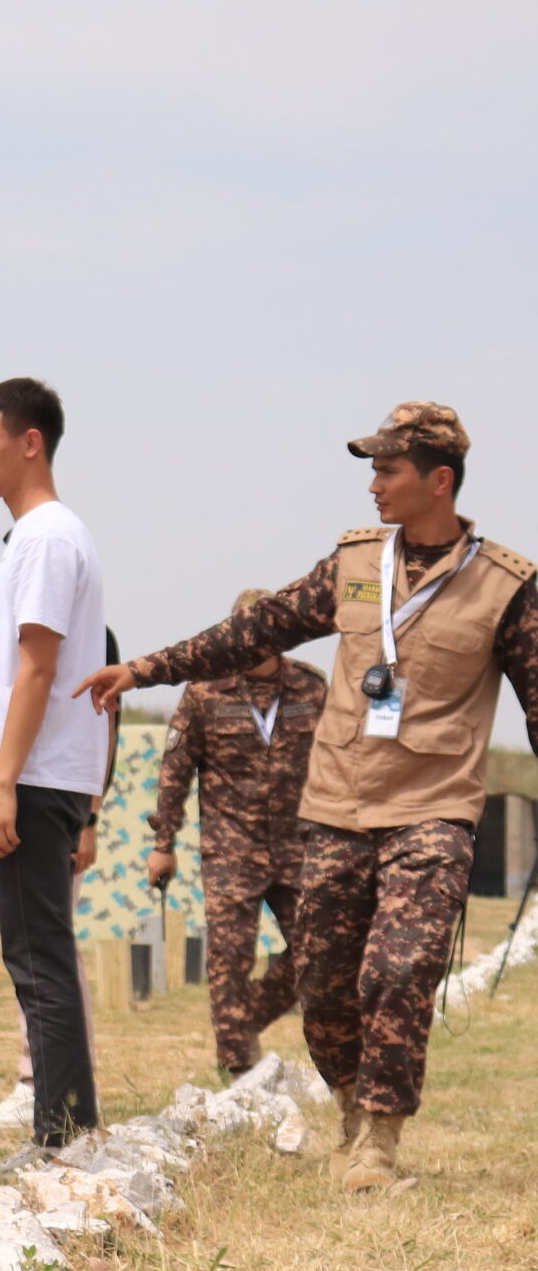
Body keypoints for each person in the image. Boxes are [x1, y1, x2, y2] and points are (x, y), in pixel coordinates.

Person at [78, 404, 537, 1190]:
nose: (373, 484)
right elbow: (256, 629)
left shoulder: (505, 587)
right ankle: (353, 1105)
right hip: (334, 811)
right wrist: (145, 668)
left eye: (388, 469)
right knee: (324, 978)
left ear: (440, 479)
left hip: (433, 811)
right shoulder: (355, 562)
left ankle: (381, 1144)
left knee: (397, 967)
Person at [0, 377, 108, 1164]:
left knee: (38, 957)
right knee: (38, 953)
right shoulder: (37, 536)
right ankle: (69, 1129)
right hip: (37, 773)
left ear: (30, 442)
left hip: (35, 775)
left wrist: (5, 782)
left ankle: (64, 1138)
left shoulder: (47, 536)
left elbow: (38, 670)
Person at [144, 590, 327, 1078]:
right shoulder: (205, 691)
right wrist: (163, 845)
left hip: (300, 845)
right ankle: (238, 1067)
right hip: (231, 848)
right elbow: (175, 771)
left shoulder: (312, 688)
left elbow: (341, 762)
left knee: (318, 948)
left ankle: (244, 1019)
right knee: (230, 956)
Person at [0, 627, 121, 1131]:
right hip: (18, 801)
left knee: (48, 951)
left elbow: (106, 731)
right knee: (35, 949)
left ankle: (51, 1088)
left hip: (54, 802)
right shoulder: (16, 637)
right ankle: (46, 1084)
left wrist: (91, 820)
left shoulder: (93, 638)